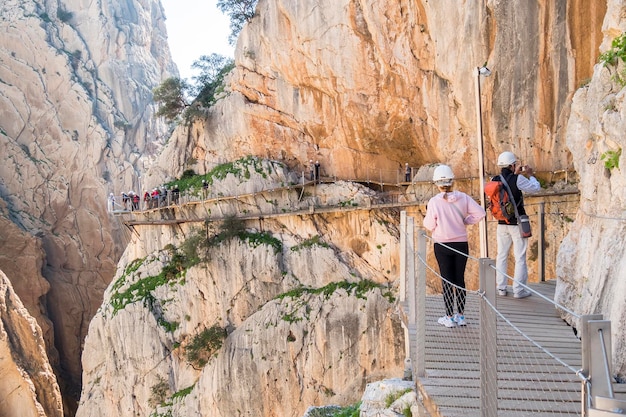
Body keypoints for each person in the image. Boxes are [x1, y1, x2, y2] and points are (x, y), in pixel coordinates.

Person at [423, 165, 486, 327]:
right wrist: (465, 221)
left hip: (442, 245)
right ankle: (461, 316)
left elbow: (429, 225)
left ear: (436, 183)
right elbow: (480, 213)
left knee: (447, 280)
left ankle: (449, 317)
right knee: (460, 280)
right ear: (452, 181)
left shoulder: (434, 202)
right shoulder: (463, 198)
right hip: (461, 243)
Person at [493, 151, 541, 298]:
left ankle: (501, 288)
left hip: (501, 223)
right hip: (517, 223)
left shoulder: (494, 179)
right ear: (512, 165)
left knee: (501, 255)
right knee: (519, 257)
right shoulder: (518, 179)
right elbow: (535, 188)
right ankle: (518, 290)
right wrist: (530, 174)